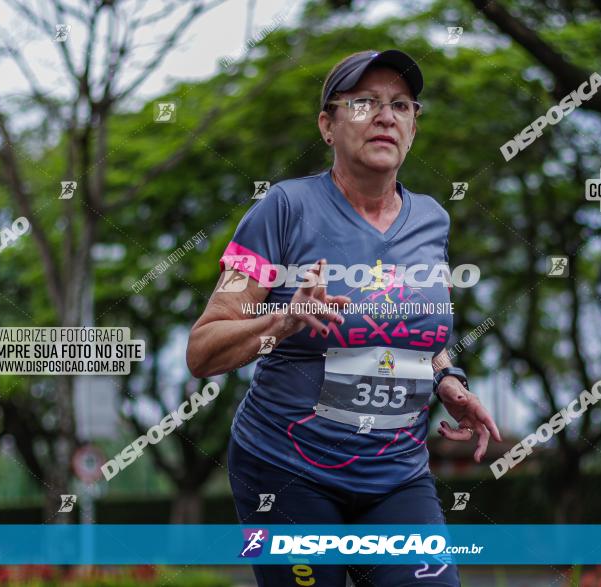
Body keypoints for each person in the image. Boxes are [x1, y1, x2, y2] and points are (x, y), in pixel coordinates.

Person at [187, 49, 501, 586]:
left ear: (413, 127)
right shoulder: (282, 210)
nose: (385, 116)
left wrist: (447, 378)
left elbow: (420, 329)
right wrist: (282, 321)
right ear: (327, 126)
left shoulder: (432, 219)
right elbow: (202, 350)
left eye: (401, 105)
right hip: (286, 470)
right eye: (363, 103)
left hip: (396, 475)